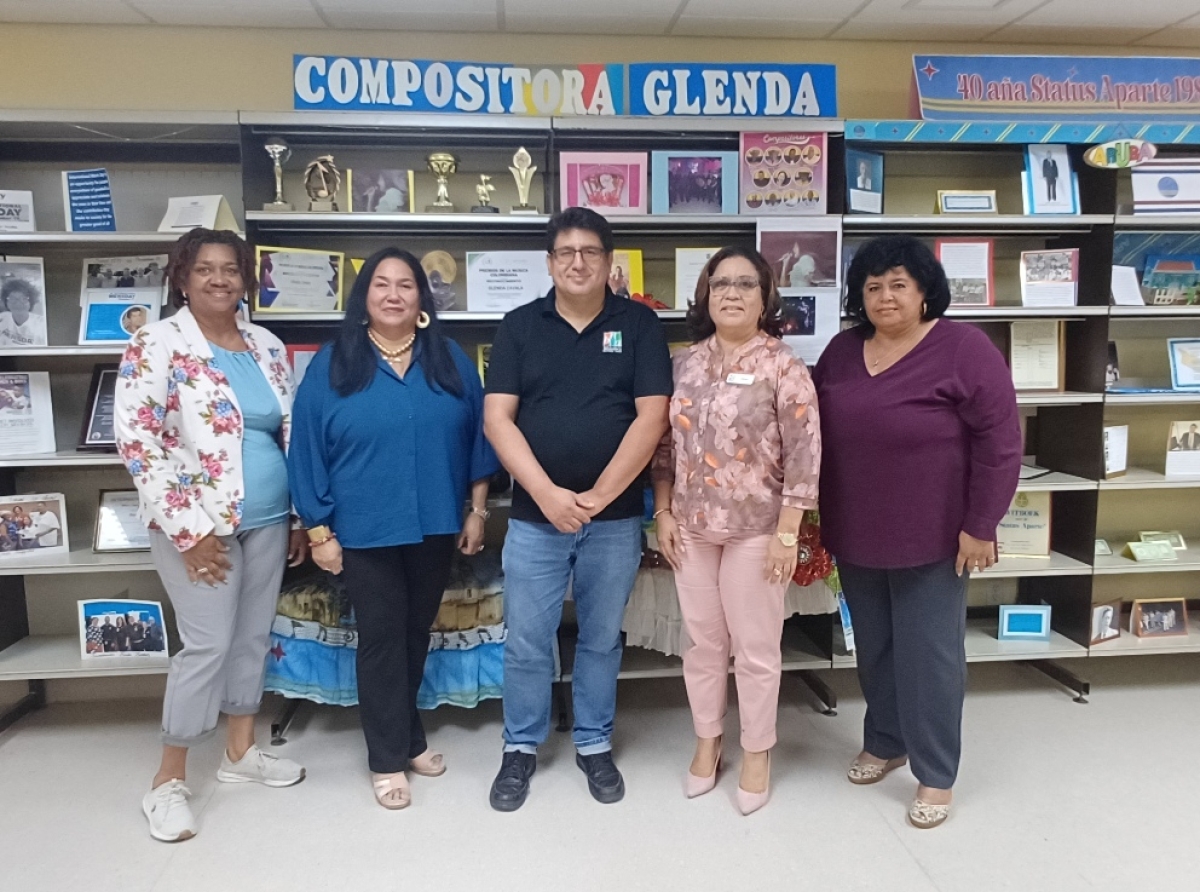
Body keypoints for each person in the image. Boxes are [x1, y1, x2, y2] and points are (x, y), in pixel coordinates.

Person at [813, 235, 1021, 830]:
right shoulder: (842, 350)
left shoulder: (964, 349)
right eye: (873, 286)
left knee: (930, 657)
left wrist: (981, 524)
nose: (884, 296)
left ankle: (936, 773)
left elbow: (1001, 443)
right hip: (855, 531)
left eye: (898, 284)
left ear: (926, 290)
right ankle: (885, 740)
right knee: (875, 647)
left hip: (935, 536)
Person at [114, 227, 309, 843]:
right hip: (197, 526)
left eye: (230, 269)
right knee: (206, 645)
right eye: (205, 269)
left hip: (270, 520)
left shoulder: (267, 345)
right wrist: (189, 530)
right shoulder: (157, 343)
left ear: (245, 279)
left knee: (252, 638)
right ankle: (168, 782)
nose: (219, 279)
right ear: (182, 276)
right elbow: (138, 442)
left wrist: (299, 517)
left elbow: (289, 434)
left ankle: (240, 754)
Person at [288, 247, 498, 811]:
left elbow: (480, 437)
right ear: (364, 297)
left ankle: (407, 739)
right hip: (364, 530)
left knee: (414, 634)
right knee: (382, 641)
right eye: (381, 284)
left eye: (406, 285)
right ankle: (385, 759)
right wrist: (318, 530)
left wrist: (476, 509)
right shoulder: (333, 363)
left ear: (421, 298)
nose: (394, 294)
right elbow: (305, 448)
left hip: (434, 524)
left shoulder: (448, 358)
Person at [483, 207, 672, 812]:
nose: (578, 262)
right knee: (528, 641)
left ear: (609, 261)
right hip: (537, 519)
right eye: (565, 252)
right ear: (549, 262)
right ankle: (520, 747)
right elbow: (497, 419)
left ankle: (593, 741)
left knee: (599, 639)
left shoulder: (639, 326)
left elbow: (653, 417)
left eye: (590, 251)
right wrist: (545, 494)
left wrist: (597, 497)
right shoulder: (518, 326)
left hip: (613, 520)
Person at [652, 246, 821, 816]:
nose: (731, 293)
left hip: (758, 529)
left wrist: (788, 533)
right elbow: (663, 446)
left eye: (745, 284)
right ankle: (708, 740)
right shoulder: (683, 364)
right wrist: (664, 511)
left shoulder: (784, 365)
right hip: (692, 527)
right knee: (703, 645)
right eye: (720, 283)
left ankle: (756, 750)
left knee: (754, 649)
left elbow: (805, 453)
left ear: (765, 296)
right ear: (704, 294)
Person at [0, 277, 48, 347]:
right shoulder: (3, 317)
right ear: (6, 302)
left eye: (23, 298)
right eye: (12, 298)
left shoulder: (42, 325)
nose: (18, 303)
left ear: (31, 302)